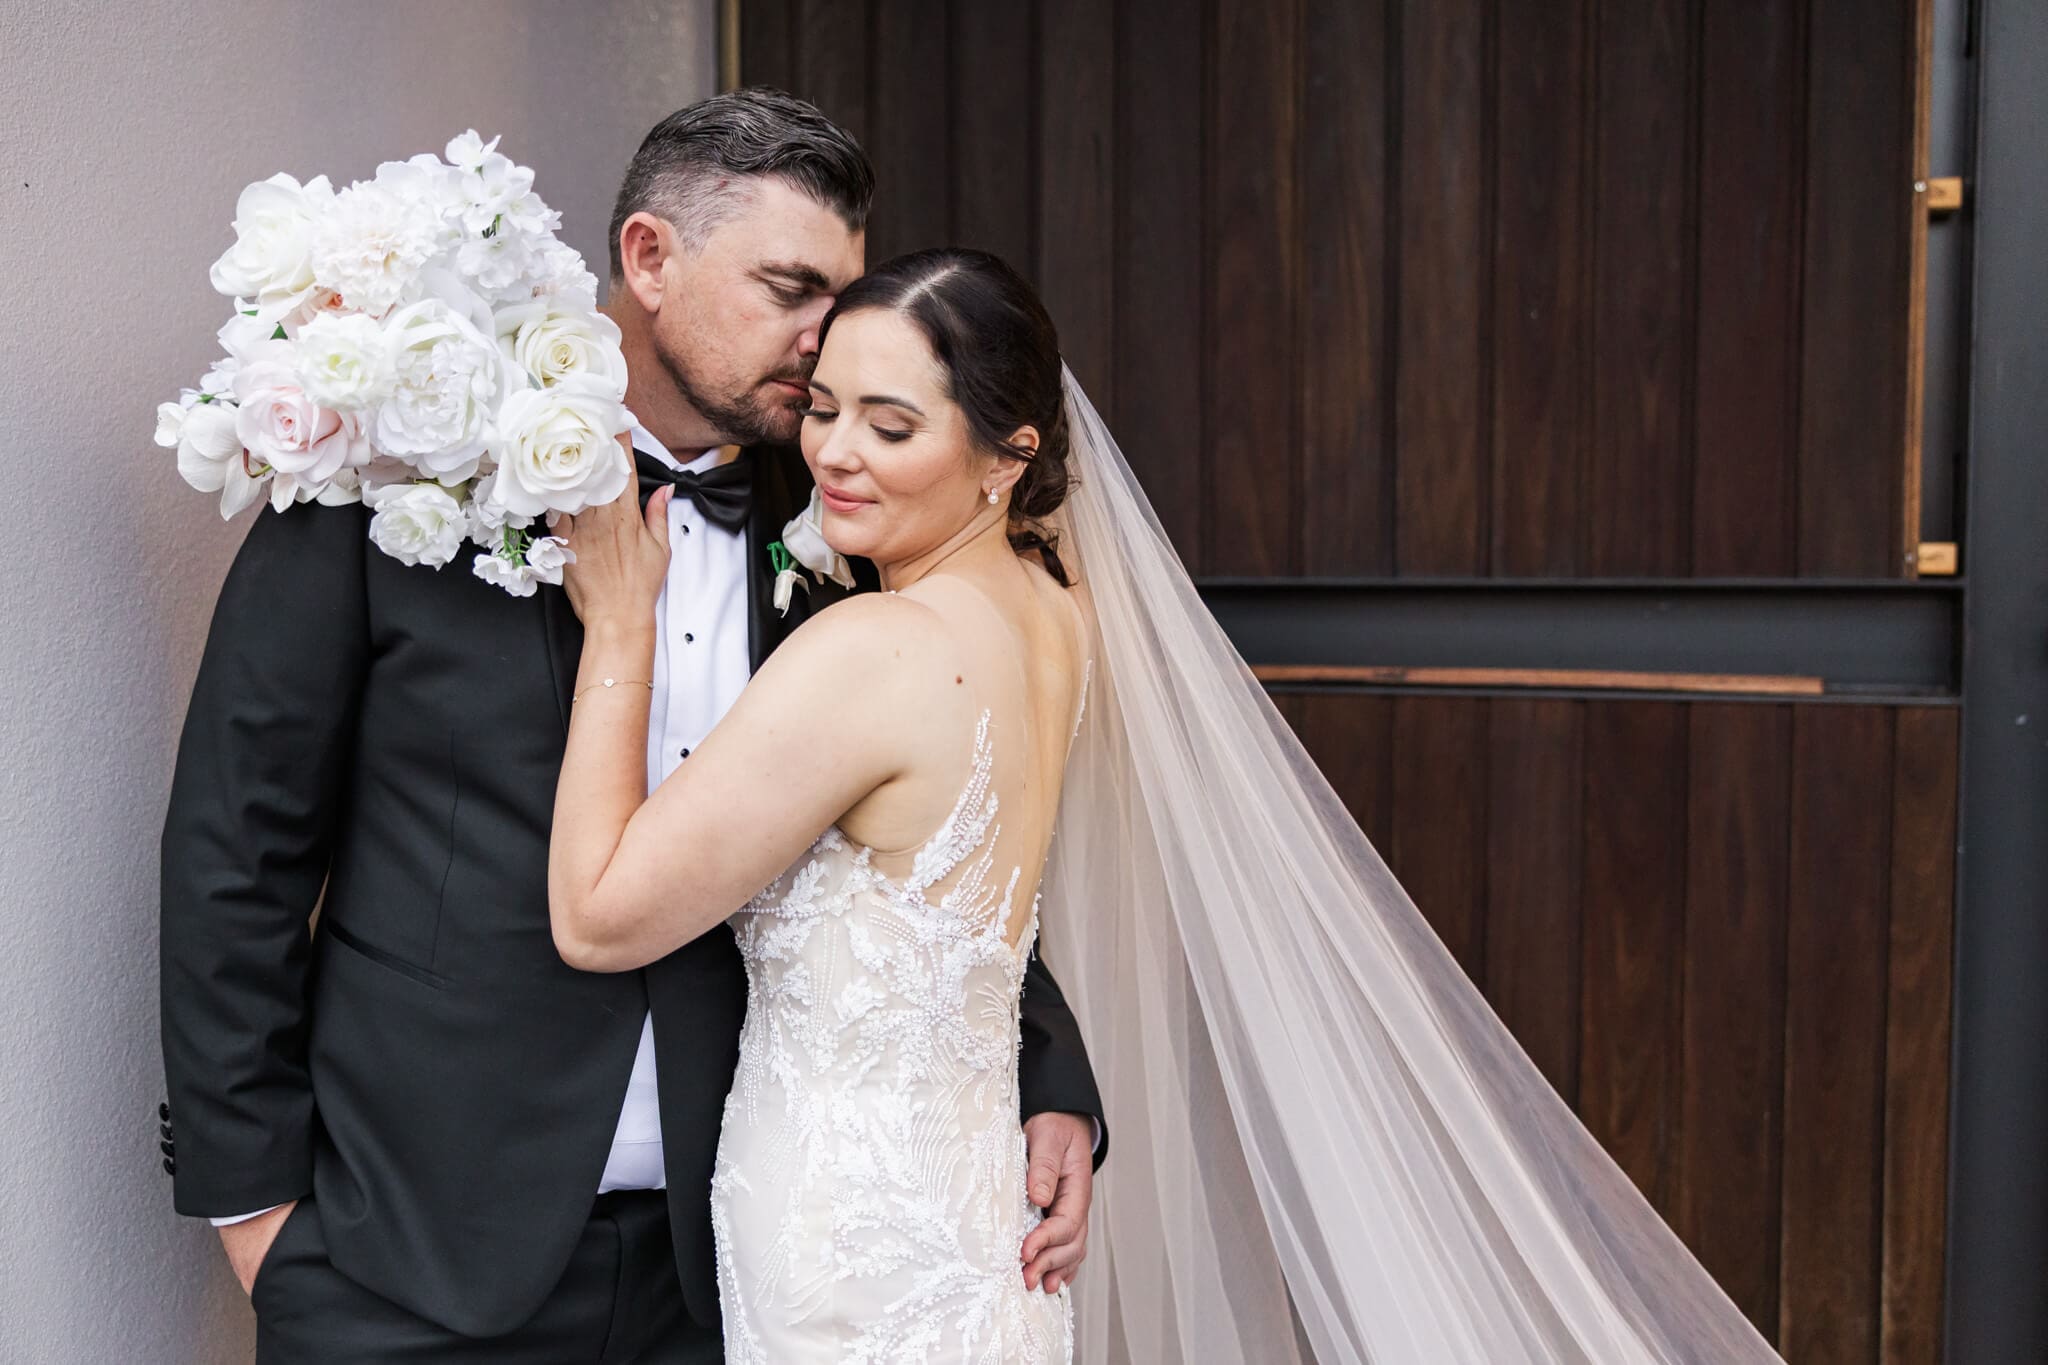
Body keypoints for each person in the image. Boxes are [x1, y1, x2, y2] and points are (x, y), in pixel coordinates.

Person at [550, 244, 1787, 1365]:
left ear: (1006, 456)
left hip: (843, 1235)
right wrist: (1061, 1091)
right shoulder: (1057, 616)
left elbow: (602, 918)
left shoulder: (873, 647)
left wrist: (619, 631)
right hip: (976, 1224)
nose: (829, 456)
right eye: (822, 411)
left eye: (889, 425)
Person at [157, 91, 1102, 1364]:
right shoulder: (398, 481)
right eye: (788, 287)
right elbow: (238, 844)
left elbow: (926, 845)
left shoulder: (843, 517)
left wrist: (1048, 1080)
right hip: (414, 1257)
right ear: (650, 259)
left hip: (727, 1270)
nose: (828, 343)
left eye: (843, 293)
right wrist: (256, 1207)